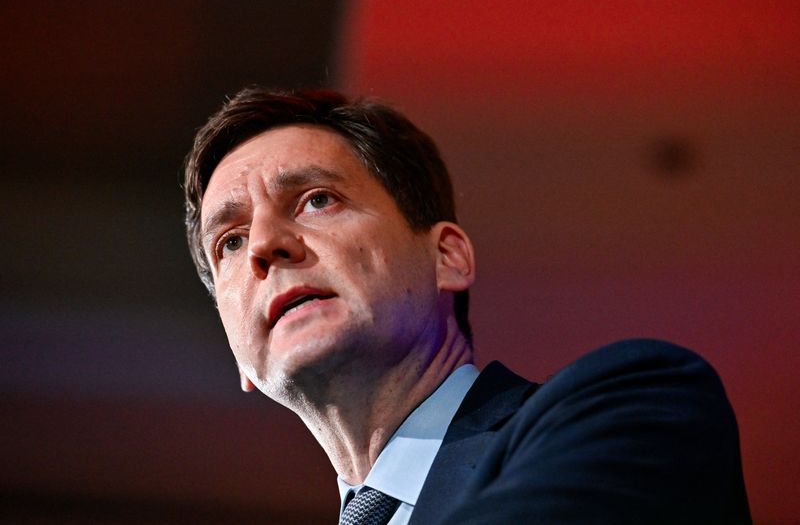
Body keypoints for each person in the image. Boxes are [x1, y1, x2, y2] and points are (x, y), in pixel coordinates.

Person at [183, 87, 751, 524]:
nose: (262, 245)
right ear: (238, 353)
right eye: (228, 241)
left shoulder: (637, 408)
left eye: (317, 200)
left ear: (447, 258)